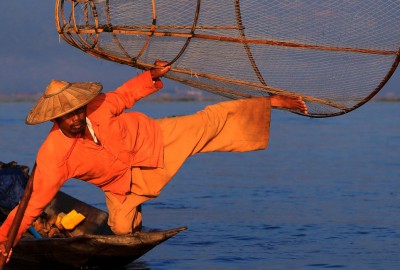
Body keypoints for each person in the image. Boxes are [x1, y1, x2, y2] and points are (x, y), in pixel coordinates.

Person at [0, 61, 307, 260]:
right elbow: (33, 203)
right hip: (120, 184)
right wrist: (5, 240)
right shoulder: (54, 155)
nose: (77, 118)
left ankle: (270, 102)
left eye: (78, 110)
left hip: (153, 141)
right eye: (68, 116)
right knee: (121, 231)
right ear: (55, 119)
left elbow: (123, 96)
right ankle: (134, 218)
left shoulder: (97, 107)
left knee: (207, 122)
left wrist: (150, 77)